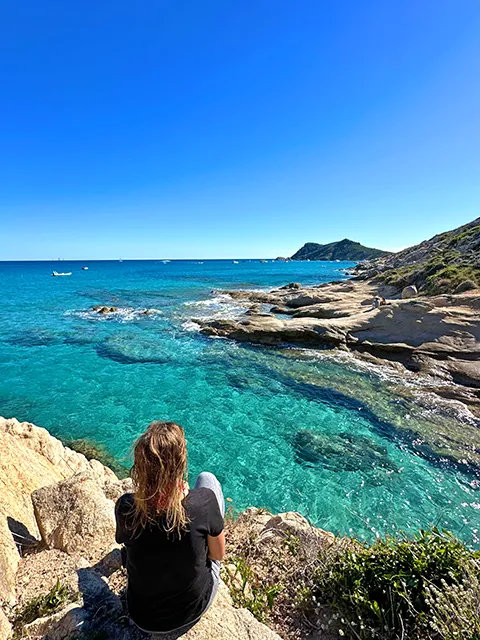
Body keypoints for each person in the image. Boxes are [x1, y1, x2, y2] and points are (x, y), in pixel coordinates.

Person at [115, 421, 225, 635]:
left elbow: (125, 547)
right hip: (191, 610)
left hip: (142, 616)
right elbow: (218, 554)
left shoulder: (126, 507)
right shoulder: (202, 503)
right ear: (180, 463)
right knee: (207, 478)